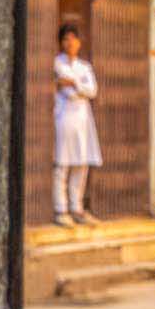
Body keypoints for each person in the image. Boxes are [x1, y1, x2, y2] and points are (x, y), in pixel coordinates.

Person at [52, 22, 103, 227]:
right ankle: (61, 209)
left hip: (83, 120)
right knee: (62, 165)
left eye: (73, 39)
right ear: (61, 43)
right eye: (65, 39)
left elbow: (92, 91)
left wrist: (74, 83)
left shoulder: (84, 67)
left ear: (79, 42)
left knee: (81, 165)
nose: (69, 42)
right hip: (64, 118)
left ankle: (77, 207)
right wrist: (77, 87)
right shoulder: (57, 64)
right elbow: (67, 92)